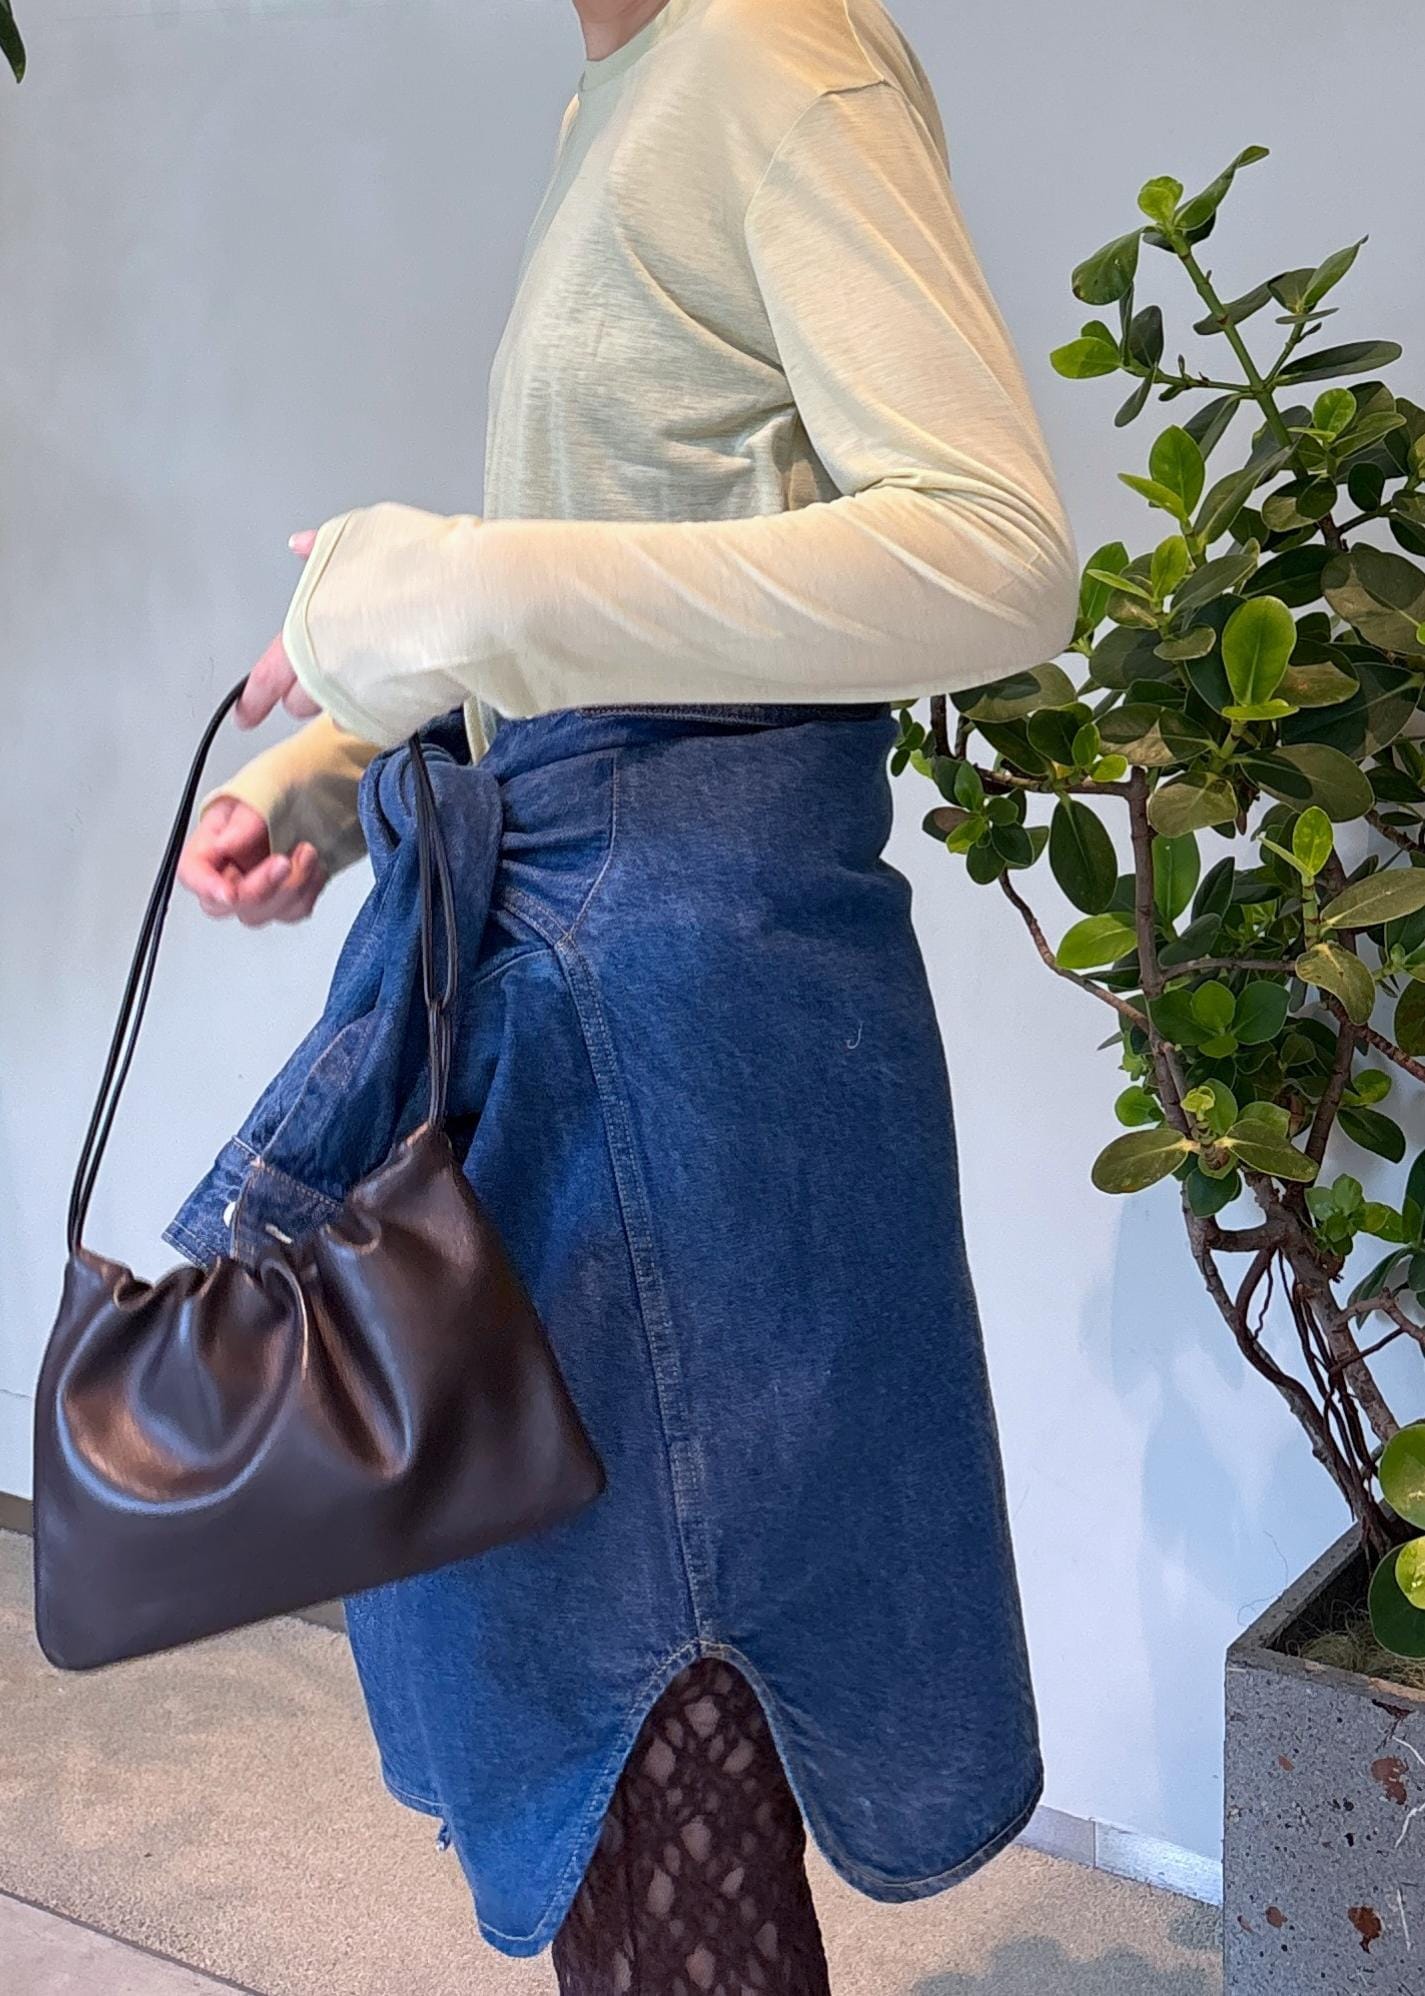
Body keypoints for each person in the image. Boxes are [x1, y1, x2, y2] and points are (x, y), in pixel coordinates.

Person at [176, 1, 1078, 1989]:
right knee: (612, 1705)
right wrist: (330, 763)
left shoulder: (765, 54)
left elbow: (994, 554)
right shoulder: (625, 87)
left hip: (688, 1040)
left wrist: (450, 586)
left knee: (662, 1691)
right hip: (600, 992)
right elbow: (645, 573)